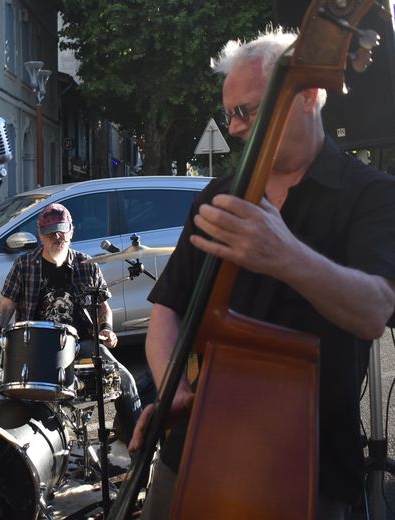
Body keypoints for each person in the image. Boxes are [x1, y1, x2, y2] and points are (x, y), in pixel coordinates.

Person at [128, 28, 395, 519]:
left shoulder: (372, 194)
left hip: (309, 464)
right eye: (229, 114)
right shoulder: (218, 197)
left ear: (309, 96)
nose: (232, 127)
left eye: (245, 111)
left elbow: (374, 310)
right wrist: (175, 389)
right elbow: (167, 308)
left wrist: (287, 255)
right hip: (194, 446)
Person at [0, 203, 142, 441]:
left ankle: (137, 441)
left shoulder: (86, 265)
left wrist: (106, 328)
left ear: (71, 231)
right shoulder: (24, 266)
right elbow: (6, 307)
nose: (57, 236)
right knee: (7, 390)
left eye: (61, 230)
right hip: (34, 347)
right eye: (50, 232)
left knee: (124, 379)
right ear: (40, 236)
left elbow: (103, 306)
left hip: (81, 343)